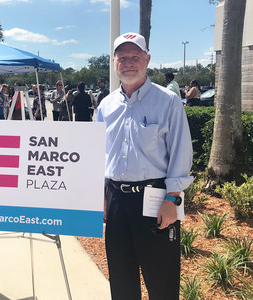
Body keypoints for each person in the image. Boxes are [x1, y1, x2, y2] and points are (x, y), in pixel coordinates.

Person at [96, 32, 193, 300]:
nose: (129, 62)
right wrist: (100, 195)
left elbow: (181, 152)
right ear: (114, 61)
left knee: (162, 280)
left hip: (156, 198)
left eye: (135, 57)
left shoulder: (168, 101)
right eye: (123, 57)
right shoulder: (105, 106)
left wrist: (174, 199)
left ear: (147, 60)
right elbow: (99, 155)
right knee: (121, 277)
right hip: (115, 199)